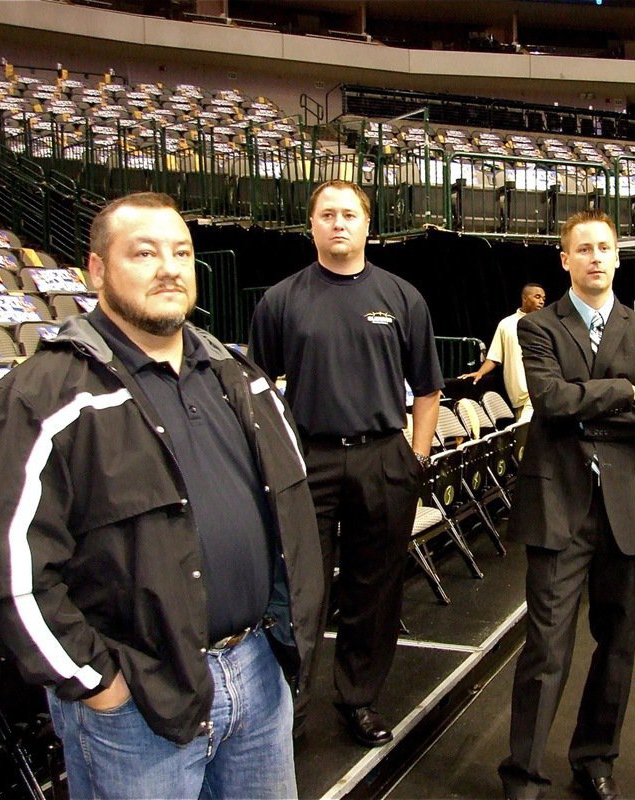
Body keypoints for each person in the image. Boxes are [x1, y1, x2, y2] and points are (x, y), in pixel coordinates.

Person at [0, 192, 323, 799]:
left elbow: (293, 522)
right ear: (97, 271)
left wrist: (286, 642)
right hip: (137, 706)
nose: (169, 267)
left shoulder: (242, 378)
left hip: (256, 677)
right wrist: (101, 684)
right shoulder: (40, 397)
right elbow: (1, 572)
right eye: (144, 252)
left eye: (180, 251)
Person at [249, 179, 443, 748]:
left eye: (349, 214)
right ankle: (291, 710)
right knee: (300, 591)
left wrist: (415, 456)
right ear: (311, 226)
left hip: (385, 458)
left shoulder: (403, 297)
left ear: (367, 225)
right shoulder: (281, 300)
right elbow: (258, 390)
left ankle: (358, 699)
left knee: (374, 591)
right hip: (308, 460)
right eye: (327, 214)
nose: (338, 223)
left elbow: (427, 389)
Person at [498, 210, 635, 800]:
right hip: (559, 508)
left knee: (617, 646)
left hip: (630, 511)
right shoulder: (538, 327)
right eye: (584, 248)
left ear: (618, 256)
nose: (596, 257)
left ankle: (595, 759)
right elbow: (548, 401)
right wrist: (621, 390)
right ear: (565, 259)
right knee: (547, 648)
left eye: (605, 247)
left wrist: (591, 403)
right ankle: (522, 774)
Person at [459, 283, 546, 421]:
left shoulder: (546, 323)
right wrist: (480, 372)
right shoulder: (507, 324)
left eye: (543, 298)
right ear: (524, 298)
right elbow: (495, 356)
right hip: (520, 395)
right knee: (524, 436)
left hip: (541, 390)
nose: (541, 301)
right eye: (537, 297)